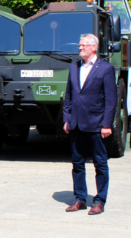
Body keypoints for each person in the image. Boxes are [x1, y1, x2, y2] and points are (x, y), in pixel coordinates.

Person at [63, 34, 117, 215]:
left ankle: (99, 201)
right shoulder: (74, 67)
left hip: (96, 124)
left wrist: (107, 124)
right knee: (77, 163)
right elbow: (69, 95)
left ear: (94, 47)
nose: (80, 48)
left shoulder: (106, 69)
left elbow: (111, 99)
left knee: (100, 163)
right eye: (79, 45)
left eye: (83, 45)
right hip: (76, 123)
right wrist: (67, 118)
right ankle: (79, 199)